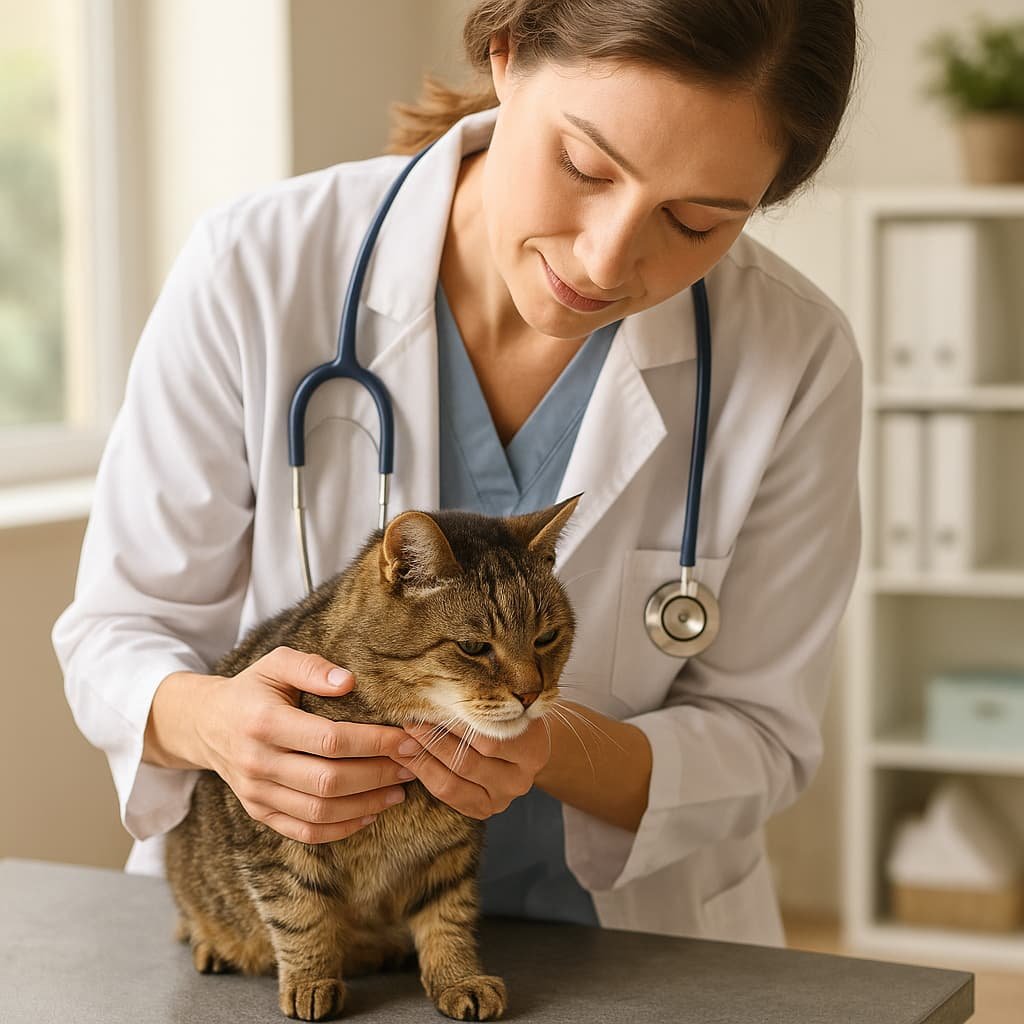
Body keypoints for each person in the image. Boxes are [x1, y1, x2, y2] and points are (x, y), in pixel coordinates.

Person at [53, 0, 862, 947]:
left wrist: (538, 745)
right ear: (509, 55)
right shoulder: (259, 266)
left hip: (629, 946)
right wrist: (220, 725)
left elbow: (763, 738)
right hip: (300, 920)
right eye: (584, 166)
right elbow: (119, 633)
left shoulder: (792, 356)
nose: (605, 259)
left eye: (693, 222)